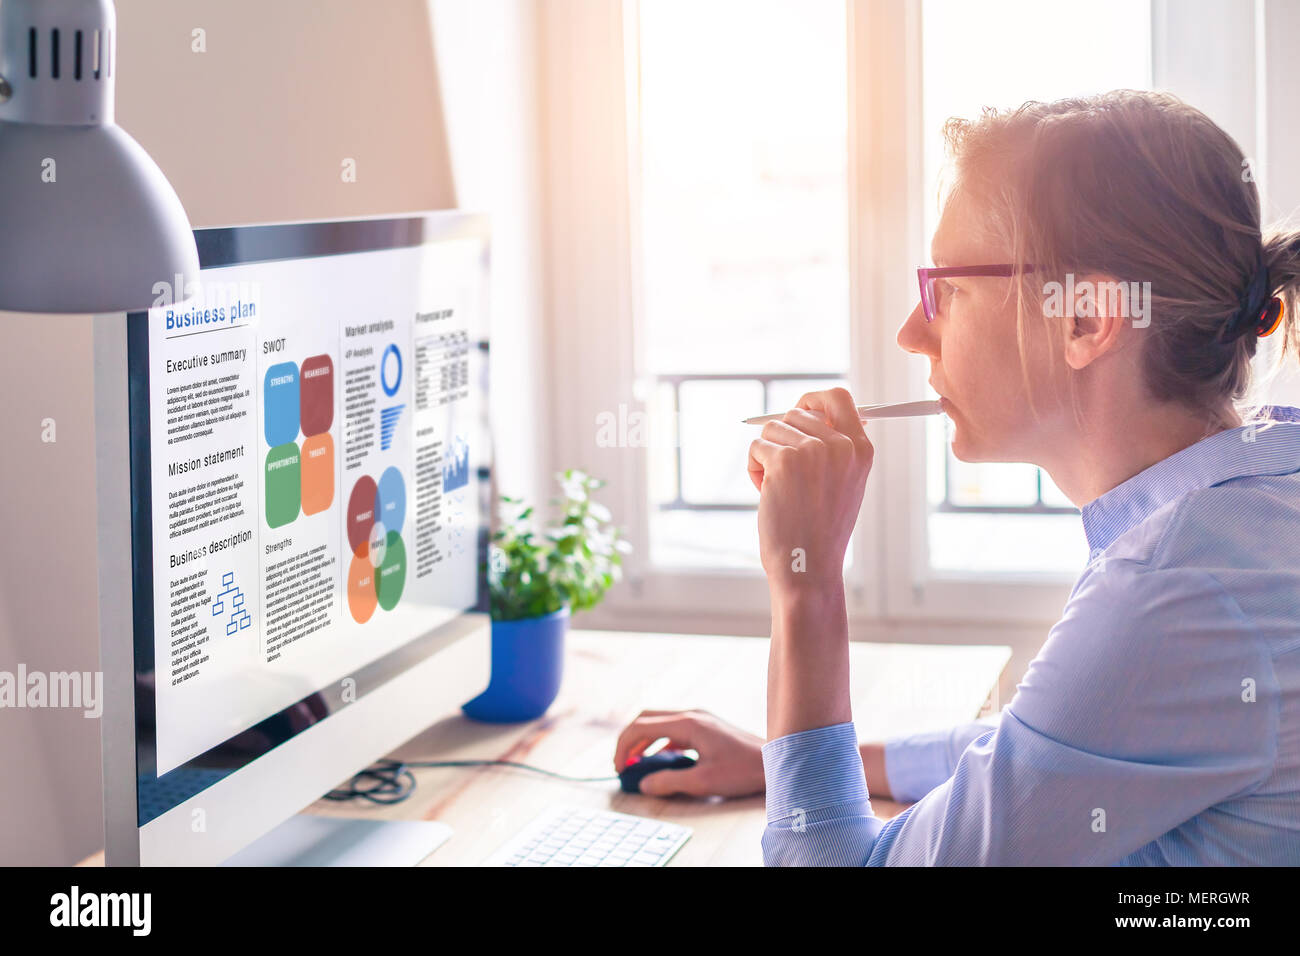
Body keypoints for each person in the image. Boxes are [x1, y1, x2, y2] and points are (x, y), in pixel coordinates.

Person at [613, 90, 1300, 865]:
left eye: (948, 290)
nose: (912, 333)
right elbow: (1054, 747)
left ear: (1086, 319)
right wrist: (787, 763)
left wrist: (805, 583)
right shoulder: (1255, 501)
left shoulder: (1173, 591)